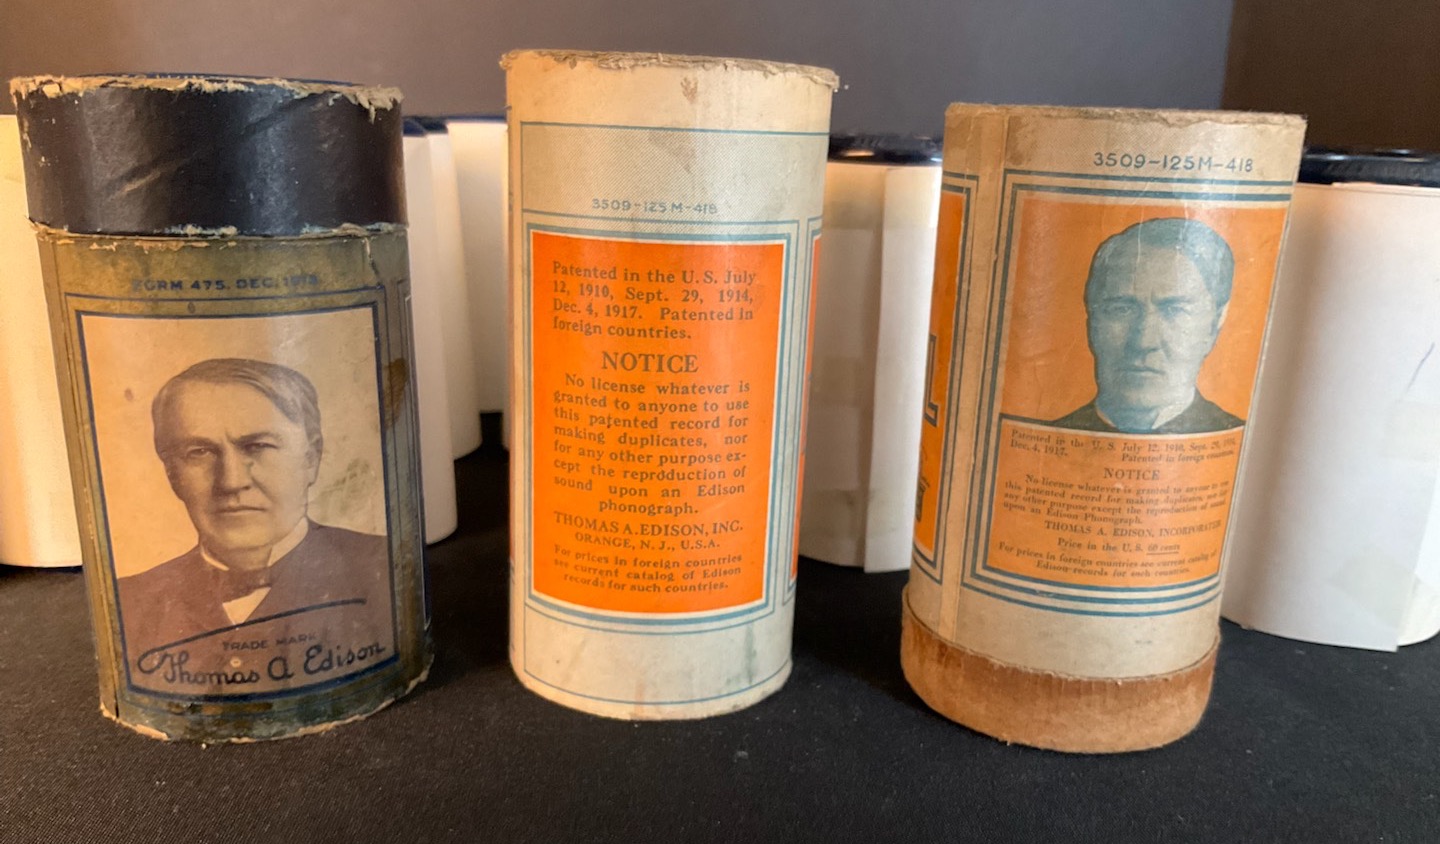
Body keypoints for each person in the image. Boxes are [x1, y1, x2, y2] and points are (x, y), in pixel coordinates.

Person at [118, 358, 392, 663]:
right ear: (172, 474)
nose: (232, 482)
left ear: (311, 458)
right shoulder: (128, 603)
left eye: (258, 446)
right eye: (200, 452)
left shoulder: (387, 569)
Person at [1051, 218, 1244, 435]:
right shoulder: (1043, 439)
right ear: (1092, 323)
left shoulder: (1237, 435)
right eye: (1122, 309)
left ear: (1213, 326)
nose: (1143, 342)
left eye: (1175, 310)